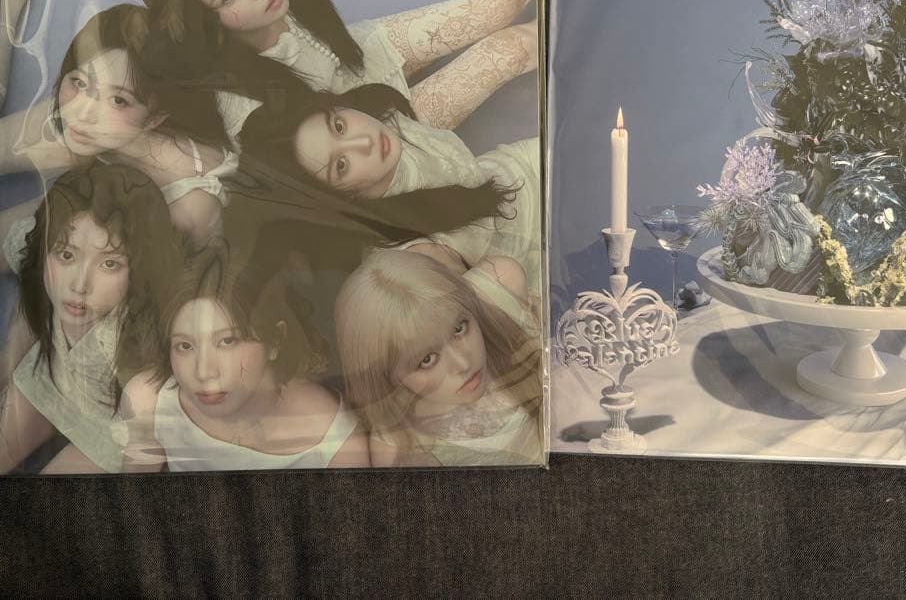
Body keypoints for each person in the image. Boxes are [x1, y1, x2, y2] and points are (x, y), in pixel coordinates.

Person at [135, 0, 537, 142]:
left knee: (496, 4)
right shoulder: (246, 111)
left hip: (356, 55)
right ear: (208, 26)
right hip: (365, 129)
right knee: (509, 50)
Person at [233, 84, 542, 293]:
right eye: (341, 164)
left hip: (513, 168)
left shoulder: (387, 117)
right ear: (337, 198)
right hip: (532, 254)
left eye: (339, 126)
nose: (363, 142)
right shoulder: (409, 252)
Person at [0, 4, 237, 257]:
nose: (84, 113)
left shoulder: (188, 206)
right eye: (79, 81)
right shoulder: (84, 113)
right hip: (112, 151)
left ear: (154, 119)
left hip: (133, 211)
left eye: (118, 100)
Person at [0, 163, 183, 474]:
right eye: (66, 255)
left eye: (109, 264)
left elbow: (142, 451)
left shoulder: (143, 341)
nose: (79, 285)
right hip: (47, 379)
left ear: (139, 269)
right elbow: (19, 245)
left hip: (109, 431)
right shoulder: (39, 256)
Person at [120, 254, 370, 471]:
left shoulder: (334, 437)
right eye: (185, 346)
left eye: (227, 341)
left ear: (274, 342)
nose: (204, 371)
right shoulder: (149, 404)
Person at [336, 248, 543, 467]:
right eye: (427, 360)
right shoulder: (396, 452)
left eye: (459, 328)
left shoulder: (502, 287)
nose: (464, 364)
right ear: (386, 379)